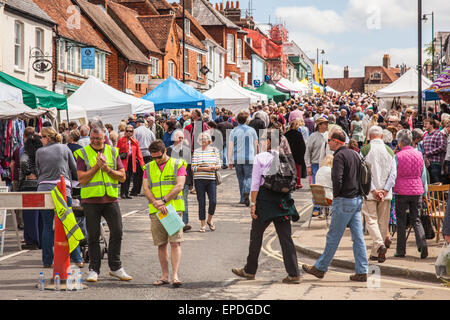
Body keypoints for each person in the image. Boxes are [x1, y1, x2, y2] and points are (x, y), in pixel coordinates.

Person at [232, 129, 301, 284]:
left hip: (265, 201)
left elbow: (255, 184)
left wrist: (253, 205)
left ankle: (250, 271)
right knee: (286, 238)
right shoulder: (286, 157)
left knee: (256, 236)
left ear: (269, 142)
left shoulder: (260, 157)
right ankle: (294, 274)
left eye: (262, 140)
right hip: (283, 200)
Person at [302, 130, 369, 282]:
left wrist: (337, 194)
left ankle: (320, 268)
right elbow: (363, 175)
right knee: (358, 237)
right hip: (356, 199)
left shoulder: (338, 156)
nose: (328, 143)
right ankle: (362, 270)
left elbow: (337, 178)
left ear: (337, 142)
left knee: (333, 236)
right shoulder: (355, 154)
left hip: (344, 200)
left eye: (330, 140)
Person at [75, 126, 132, 282]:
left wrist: (107, 169)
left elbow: (122, 177)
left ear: (104, 137)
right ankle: (94, 269)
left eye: (98, 138)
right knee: (92, 237)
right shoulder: (82, 153)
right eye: (93, 138)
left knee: (118, 232)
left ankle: (116, 267)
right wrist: (96, 167)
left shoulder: (113, 151)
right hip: (91, 201)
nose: (95, 141)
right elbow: (81, 179)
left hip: (110, 199)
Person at [36, 127, 83, 268]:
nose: (41, 140)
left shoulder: (39, 152)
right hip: (62, 189)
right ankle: (77, 258)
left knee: (46, 226)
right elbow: (74, 169)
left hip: (44, 189)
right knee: (69, 224)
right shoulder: (64, 148)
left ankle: (47, 260)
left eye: (42, 137)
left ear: (48, 138)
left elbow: (38, 170)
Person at [142, 140, 187, 288]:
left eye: (158, 157)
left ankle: (175, 275)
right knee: (161, 244)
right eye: (153, 157)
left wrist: (163, 200)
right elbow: (146, 188)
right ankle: (165, 276)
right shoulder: (148, 167)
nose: (156, 160)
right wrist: (155, 202)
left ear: (165, 151)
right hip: (156, 210)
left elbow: (179, 185)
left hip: (172, 209)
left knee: (175, 242)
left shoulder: (177, 164)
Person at [360, 126, 396, 263]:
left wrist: (374, 190)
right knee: (382, 222)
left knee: (371, 220)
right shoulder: (390, 151)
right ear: (381, 136)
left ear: (370, 137)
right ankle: (376, 253)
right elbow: (393, 174)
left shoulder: (364, 150)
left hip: (370, 193)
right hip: (386, 193)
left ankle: (379, 246)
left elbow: (363, 174)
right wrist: (385, 190)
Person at [393, 129, 428, 259]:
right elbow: (423, 175)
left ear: (400, 142)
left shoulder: (397, 156)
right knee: (416, 219)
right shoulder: (419, 154)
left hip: (401, 191)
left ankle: (401, 250)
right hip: (417, 190)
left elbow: (393, 174)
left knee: (401, 222)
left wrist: (391, 188)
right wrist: (425, 192)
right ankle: (422, 243)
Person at [228, 111, 259, 207]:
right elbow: (256, 144)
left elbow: (230, 146)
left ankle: (242, 198)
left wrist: (229, 160)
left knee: (240, 178)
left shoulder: (233, 131)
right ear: (246, 120)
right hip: (249, 156)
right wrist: (257, 155)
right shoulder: (252, 130)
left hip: (238, 157)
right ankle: (246, 192)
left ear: (237, 120)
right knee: (249, 177)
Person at [192, 132, 221, 232]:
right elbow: (193, 167)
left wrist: (216, 167)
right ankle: (203, 224)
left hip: (211, 179)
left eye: (204, 139)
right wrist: (207, 168)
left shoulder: (214, 150)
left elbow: (219, 163)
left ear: (209, 140)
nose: (203, 140)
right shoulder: (196, 152)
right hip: (199, 179)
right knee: (201, 202)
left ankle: (210, 220)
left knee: (213, 201)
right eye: (201, 139)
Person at [19, 134, 43, 250]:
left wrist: (28, 173)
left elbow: (23, 162)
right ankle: (42, 240)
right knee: (40, 216)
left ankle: (31, 241)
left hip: (29, 185)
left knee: (29, 216)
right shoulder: (42, 153)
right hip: (40, 185)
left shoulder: (26, 153)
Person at [167, 130, 193, 232]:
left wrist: (191, 183)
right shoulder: (168, 150)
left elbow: (189, 167)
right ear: (174, 139)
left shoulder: (186, 151)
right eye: (179, 138)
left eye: (182, 138)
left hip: (184, 180)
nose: (181, 140)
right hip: (171, 180)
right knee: (171, 202)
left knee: (184, 201)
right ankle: (173, 223)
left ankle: (185, 223)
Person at [305, 117, 329, 216]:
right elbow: (307, 152)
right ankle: (317, 208)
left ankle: (327, 208)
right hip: (315, 164)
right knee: (317, 188)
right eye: (325, 123)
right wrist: (308, 166)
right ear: (319, 125)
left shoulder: (329, 135)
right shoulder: (313, 136)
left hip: (327, 164)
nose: (327, 125)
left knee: (328, 186)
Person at [117, 125, 144, 198]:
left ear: (133, 132)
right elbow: (117, 150)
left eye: (130, 131)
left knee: (129, 178)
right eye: (127, 131)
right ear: (125, 131)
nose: (129, 132)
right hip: (123, 161)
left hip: (131, 161)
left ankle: (126, 193)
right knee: (125, 176)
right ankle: (123, 193)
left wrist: (142, 164)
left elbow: (139, 153)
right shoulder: (121, 140)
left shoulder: (135, 141)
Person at [422, 118, 447, 184]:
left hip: (436, 162)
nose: (424, 125)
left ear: (432, 124)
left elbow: (442, 147)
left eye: (426, 124)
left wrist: (429, 153)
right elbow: (424, 149)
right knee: (429, 182)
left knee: (436, 180)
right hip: (427, 163)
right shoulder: (426, 135)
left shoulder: (439, 134)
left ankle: (438, 194)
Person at [284, 119, 306, 189]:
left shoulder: (286, 134)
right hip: (297, 154)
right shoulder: (298, 134)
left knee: (288, 169)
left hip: (288, 154)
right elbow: (302, 146)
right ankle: (297, 183)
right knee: (297, 169)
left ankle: (289, 182)